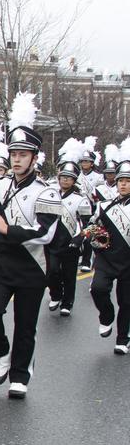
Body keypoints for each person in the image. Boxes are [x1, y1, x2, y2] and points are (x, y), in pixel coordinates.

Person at [0, 92, 61, 399]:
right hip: (1, 263)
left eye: (23, 154)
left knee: (25, 326)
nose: (16, 158)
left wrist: (6, 229)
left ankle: (21, 375)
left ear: (35, 157)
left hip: (31, 267)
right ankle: (1, 354)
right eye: (13, 153)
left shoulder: (47, 192)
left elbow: (45, 234)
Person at [89, 137, 130, 354]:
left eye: (128, 181)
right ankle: (106, 315)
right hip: (106, 258)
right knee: (98, 289)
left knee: (127, 302)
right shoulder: (105, 206)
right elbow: (91, 227)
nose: (123, 184)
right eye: (121, 180)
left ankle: (122, 338)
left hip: (128, 262)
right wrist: (89, 237)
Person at [46, 139, 92, 317]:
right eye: (62, 177)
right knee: (51, 272)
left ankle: (67, 302)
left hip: (71, 242)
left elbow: (88, 224)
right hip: (52, 241)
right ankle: (56, 294)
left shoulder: (81, 199)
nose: (65, 180)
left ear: (74, 180)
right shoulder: (50, 194)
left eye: (69, 177)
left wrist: (79, 238)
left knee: (69, 274)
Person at [78, 137, 104, 272]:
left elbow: (99, 195)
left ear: (92, 163)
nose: (84, 163)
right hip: (78, 208)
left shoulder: (98, 177)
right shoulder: (77, 175)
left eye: (87, 161)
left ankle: (87, 261)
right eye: (83, 161)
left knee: (89, 235)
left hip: (92, 209)